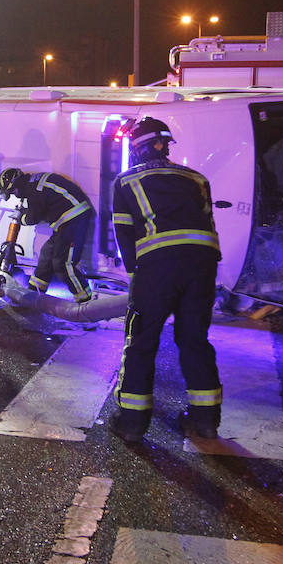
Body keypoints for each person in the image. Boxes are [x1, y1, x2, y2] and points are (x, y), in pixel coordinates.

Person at [109, 116, 223, 442]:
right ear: (165, 145)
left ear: (139, 148)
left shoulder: (125, 181)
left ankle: (131, 423)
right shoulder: (197, 178)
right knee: (194, 341)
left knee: (141, 340)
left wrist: (137, 275)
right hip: (202, 267)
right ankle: (205, 421)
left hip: (157, 269)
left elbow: (125, 235)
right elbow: (206, 225)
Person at [0, 167, 94, 302]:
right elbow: (39, 207)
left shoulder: (33, 190)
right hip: (66, 221)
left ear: (17, 184)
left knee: (62, 264)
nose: (15, 195)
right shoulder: (33, 184)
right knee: (46, 256)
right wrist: (25, 212)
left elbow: (34, 217)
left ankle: (85, 301)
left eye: (13, 191)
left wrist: (21, 217)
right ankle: (35, 292)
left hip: (74, 220)